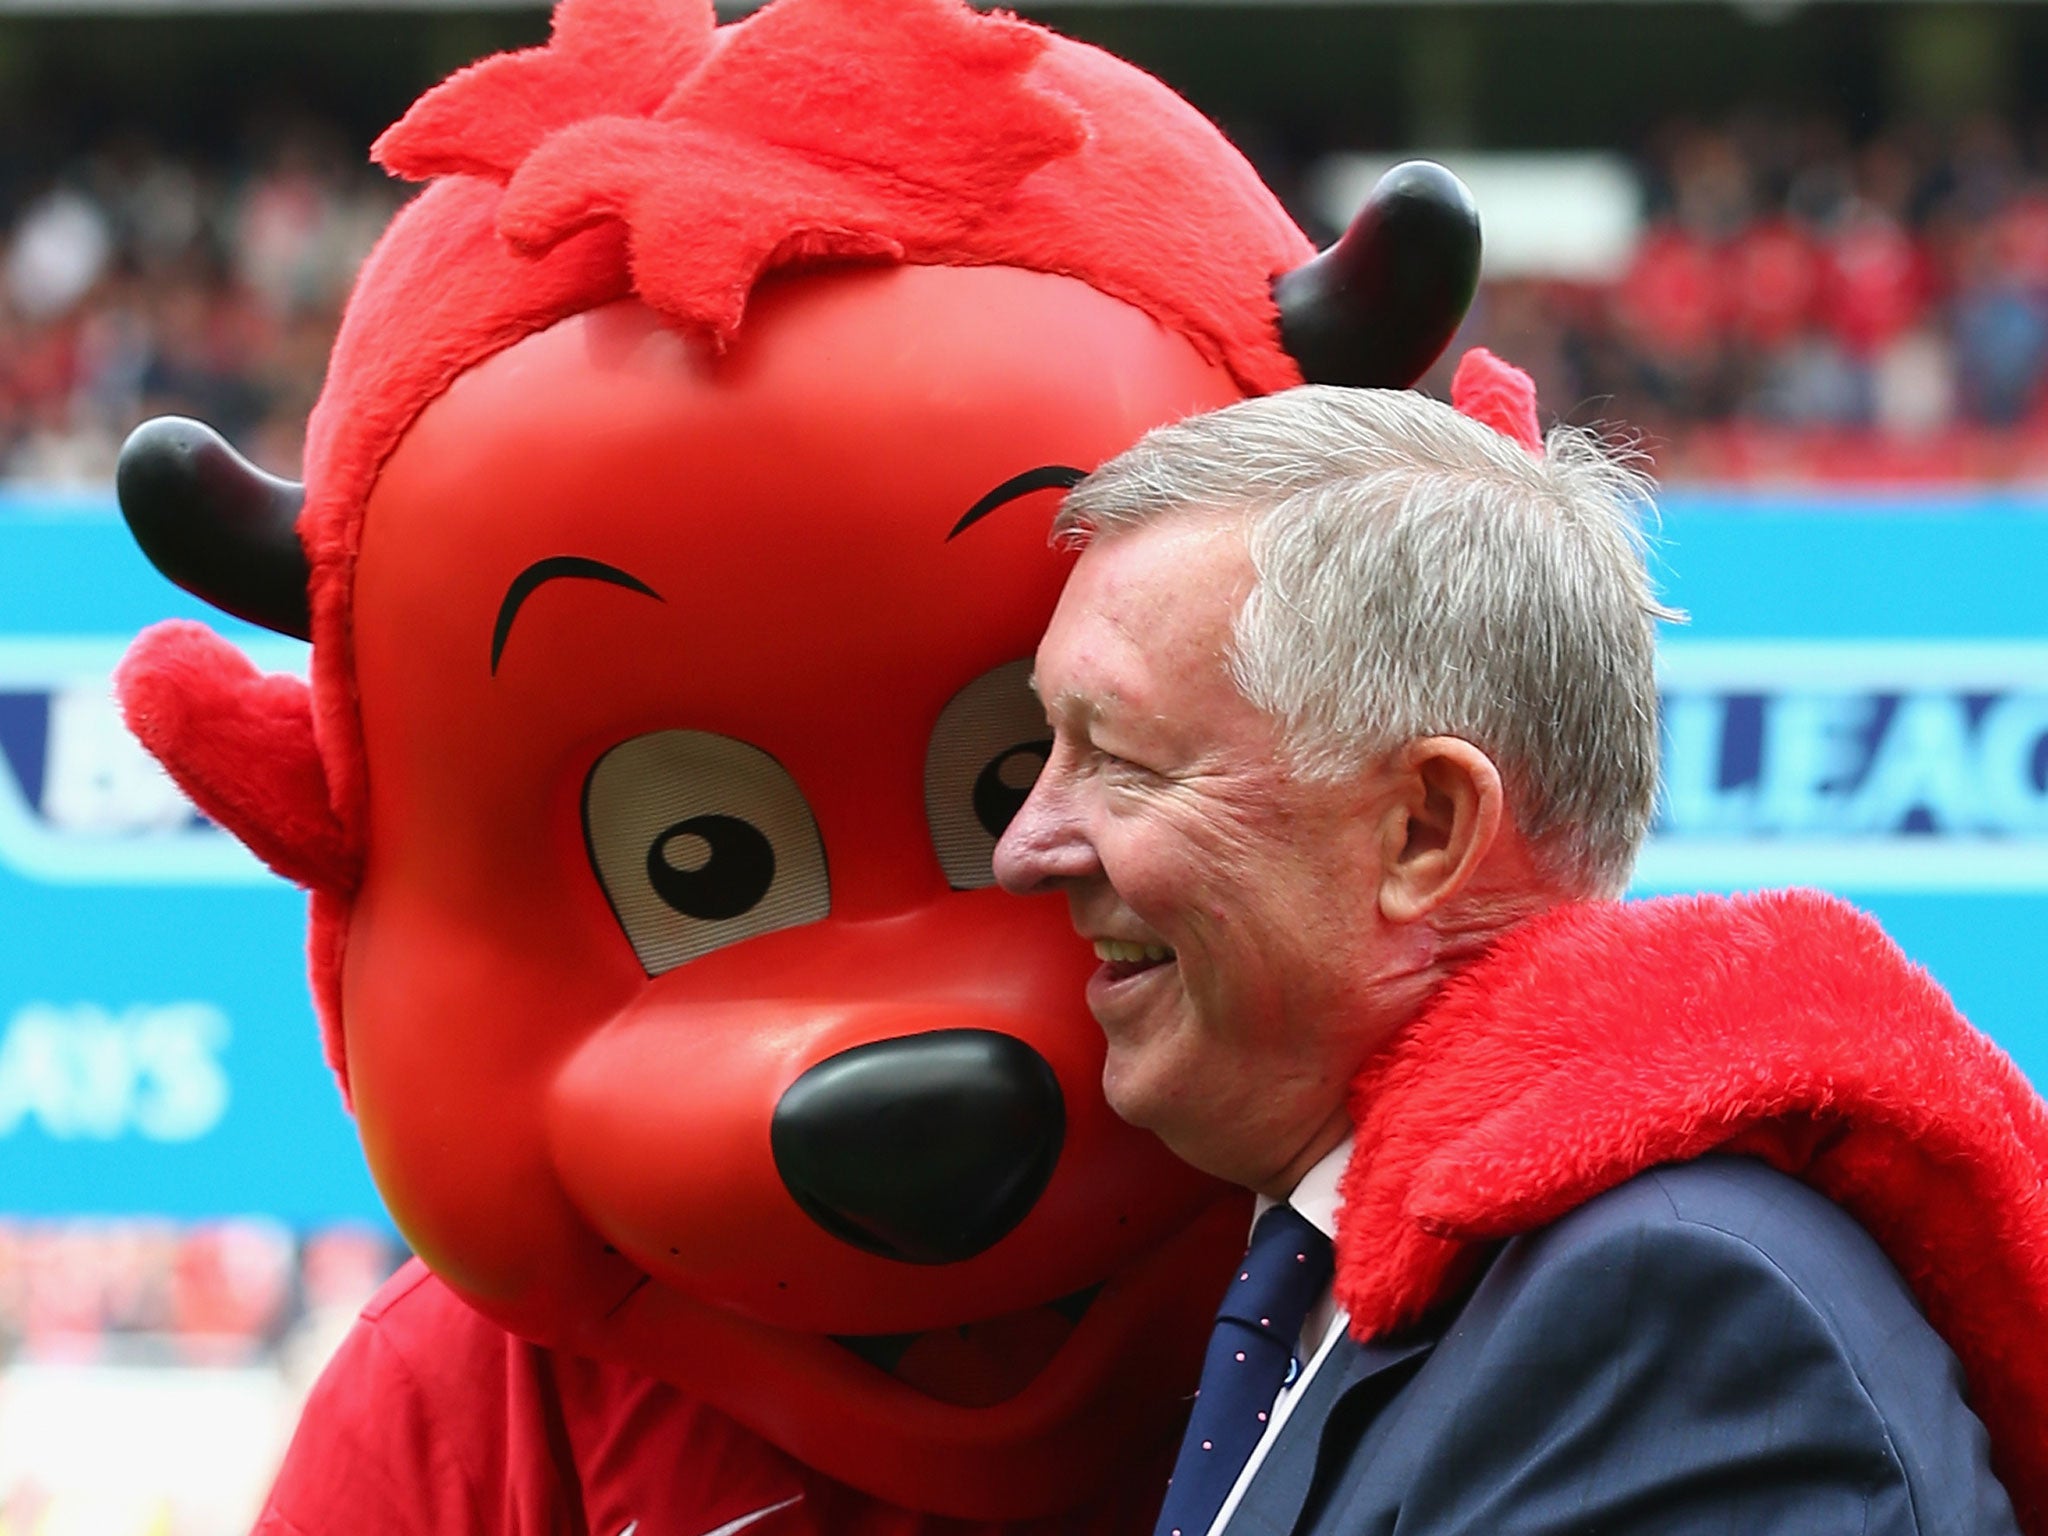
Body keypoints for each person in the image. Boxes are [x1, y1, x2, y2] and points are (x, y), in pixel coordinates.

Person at [993, 373, 2046, 1536]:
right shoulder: (1374, 1278)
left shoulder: (1665, 1313)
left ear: (1423, 830)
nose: (1023, 846)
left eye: (1122, 761)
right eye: (1043, 750)